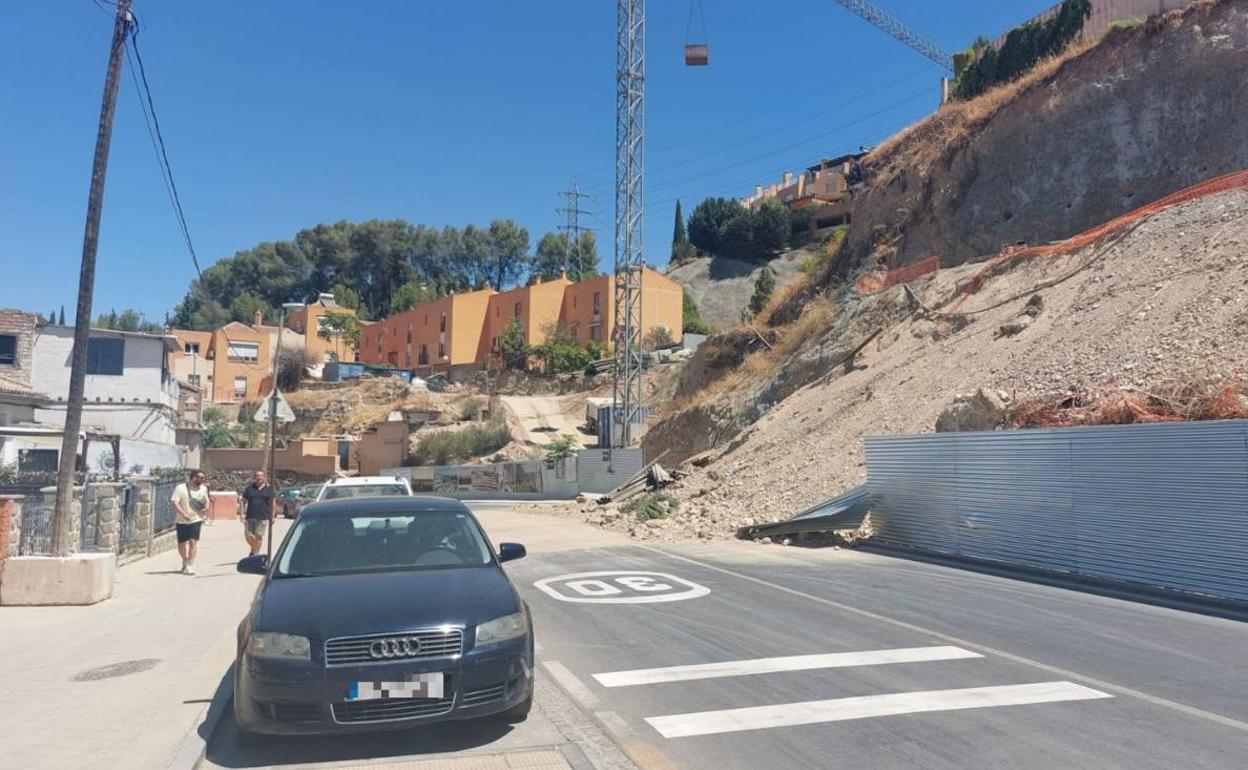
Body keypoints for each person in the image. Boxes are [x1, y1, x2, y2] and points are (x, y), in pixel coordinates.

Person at [171, 470, 212, 575]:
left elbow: (207, 500)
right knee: (182, 543)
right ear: (193, 478)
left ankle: (189, 565)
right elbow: (174, 502)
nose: (203, 480)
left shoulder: (203, 488)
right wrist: (183, 514)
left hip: (196, 519)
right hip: (182, 520)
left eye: (203, 478)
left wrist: (206, 507)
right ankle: (185, 559)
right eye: (201, 478)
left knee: (193, 542)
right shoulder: (180, 488)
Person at [239, 469, 276, 557]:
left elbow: (273, 503)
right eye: (257, 476)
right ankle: (254, 549)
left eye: (261, 476)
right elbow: (242, 501)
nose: (259, 478)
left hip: (262, 516)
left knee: (258, 536)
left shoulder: (269, 490)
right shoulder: (249, 489)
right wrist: (241, 514)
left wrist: (272, 516)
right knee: (248, 536)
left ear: (264, 477)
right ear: (254, 477)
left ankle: (255, 555)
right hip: (250, 516)